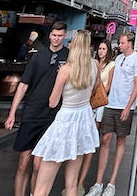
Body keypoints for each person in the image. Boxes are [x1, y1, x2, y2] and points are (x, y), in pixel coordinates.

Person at [31, 31, 100, 196]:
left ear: (73, 46)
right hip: (84, 118)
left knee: (43, 186)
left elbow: (53, 102)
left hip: (66, 119)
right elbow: (95, 90)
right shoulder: (95, 65)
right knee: (71, 185)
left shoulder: (66, 69)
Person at [4, 21, 69, 196]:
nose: (56, 38)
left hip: (52, 116)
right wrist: (12, 113)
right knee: (23, 162)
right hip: (31, 112)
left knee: (39, 164)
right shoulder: (38, 55)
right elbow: (23, 85)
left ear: (65, 36)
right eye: (54, 35)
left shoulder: (69, 56)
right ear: (50, 35)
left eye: (60, 35)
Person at [86, 31, 137, 196]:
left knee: (120, 140)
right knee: (105, 139)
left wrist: (128, 107)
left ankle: (111, 183)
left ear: (130, 43)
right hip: (111, 104)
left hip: (124, 106)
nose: (120, 45)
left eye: (123, 42)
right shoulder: (117, 59)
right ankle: (98, 183)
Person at [78, 39, 115, 196]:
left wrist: (95, 92)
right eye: (99, 48)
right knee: (85, 138)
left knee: (93, 138)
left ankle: (85, 182)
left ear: (109, 51)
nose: (101, 51)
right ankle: (79, 181)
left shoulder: (111, 66)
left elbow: (108, 87)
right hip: (87, 103)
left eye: (104, 49)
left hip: (99, 103)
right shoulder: (93, 64)